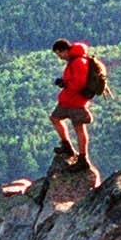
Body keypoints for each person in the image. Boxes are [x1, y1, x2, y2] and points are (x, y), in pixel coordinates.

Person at [49, 38, 97, 169]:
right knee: (55, 118)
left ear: (64, 51)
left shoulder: (79, 62)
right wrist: (64, 82)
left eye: (59, 54)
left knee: (79, 128)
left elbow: (79, 83)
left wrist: (64, 84)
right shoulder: (74, 61)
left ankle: (83, 159)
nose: (59, 57)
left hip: (76, 102)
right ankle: (67, 146)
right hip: (68, 100)